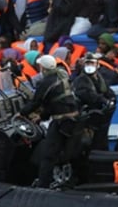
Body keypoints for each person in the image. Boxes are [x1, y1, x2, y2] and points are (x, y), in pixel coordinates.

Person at [18, 55, 81, 188]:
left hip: (61, 122)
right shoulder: (63, 76)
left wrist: (21, 113)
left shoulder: (46, 82)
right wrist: (42, 116)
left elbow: (36, 102)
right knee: (66, 152)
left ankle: (43, 184)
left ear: (43, 68)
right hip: (73, 120)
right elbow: (56, 101)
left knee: (48, 155)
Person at [72, 52, 116, 151]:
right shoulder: (81, 80)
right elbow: (87, 95)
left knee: (102, 140)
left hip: (101, 117)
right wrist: (103, 100)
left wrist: (112, 99)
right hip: (88, 118)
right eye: (87, 63)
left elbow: (108, 91)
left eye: (92, 63)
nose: (90, 66)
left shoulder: (99, 78)